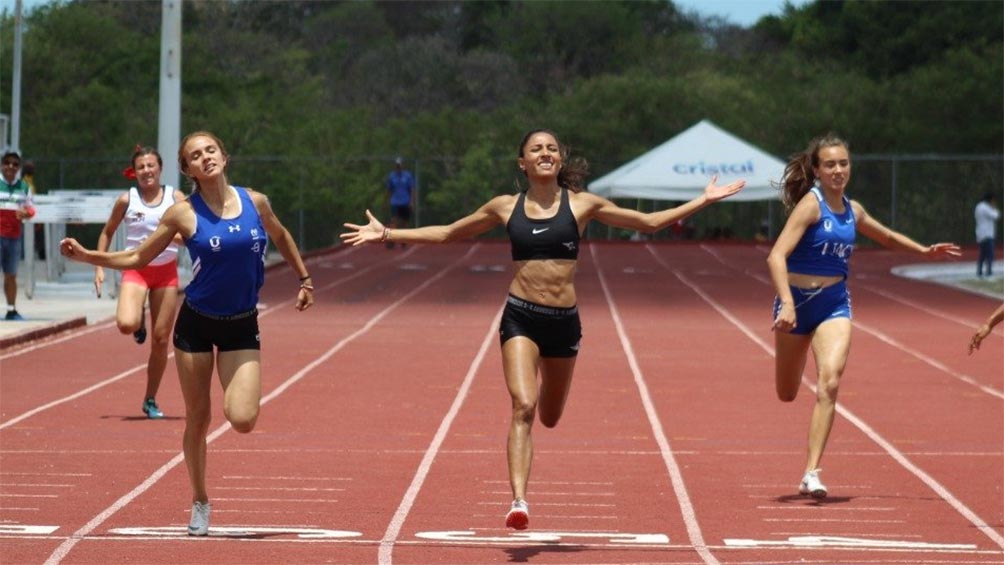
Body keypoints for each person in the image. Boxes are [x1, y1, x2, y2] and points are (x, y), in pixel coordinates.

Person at [342, 129, 745, 530]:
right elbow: (449, 232)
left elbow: (649, 222)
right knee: (524, 405)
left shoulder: (583, 205)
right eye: (536, 149)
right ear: (523, 163)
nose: (545, 153)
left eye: (552, 148)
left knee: (550, 416)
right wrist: (388, 233)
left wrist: (701, 201)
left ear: (560, 160)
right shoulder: (504, 207)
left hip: (563, 323)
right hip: (520, 316)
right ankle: (518, 500)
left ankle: (527, 472)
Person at [60, 131, 314, 536]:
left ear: (224, 156)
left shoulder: (256, 201)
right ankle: (200, 500)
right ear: (188, 169)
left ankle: (204, 486)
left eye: (210, 150)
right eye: (195, 156)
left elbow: (280, 235)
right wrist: (90, 256)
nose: (205, 158)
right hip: (196, 322)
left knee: (243, 418)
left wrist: (305, 278)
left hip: (242, 324)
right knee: (199, 417)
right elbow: (138, 256)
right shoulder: (183, 214)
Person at [767, 133, 961, 499]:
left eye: (843, 163)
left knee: (830, 382)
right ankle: (808, 458)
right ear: (816, 170)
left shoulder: (853, 211)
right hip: (795, 304)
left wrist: (923, 250)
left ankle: (811, 472)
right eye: (830, 164)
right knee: (787, 393)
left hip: (834, 303)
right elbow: (776, 256)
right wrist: (787, 303)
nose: (838, 170)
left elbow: (885, 235)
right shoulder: (811, 206)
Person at [94, 146, 187, 419]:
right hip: (136, 270)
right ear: (134, 172)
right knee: (126, 324)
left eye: (151, 166)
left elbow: (190, 232)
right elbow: (107, 232)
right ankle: (139, 321)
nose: (146, 171)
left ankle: (150, 399)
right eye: (141, 167)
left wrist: (179, 240)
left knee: (160, 341)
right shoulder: (127, 200)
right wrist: (99, 267)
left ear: (160, 168)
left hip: (166, 272)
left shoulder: (175, 197)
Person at [0, 151, 35, 321]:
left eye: (15, 164)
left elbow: (31, 209)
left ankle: (11, 310)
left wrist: (26, 213)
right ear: (2, 165)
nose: (10, 167)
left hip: (13, 237)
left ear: (19, 168)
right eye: (7, 163)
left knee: (11, 275)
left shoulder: (24, 186)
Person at [384, 156, 415, 249]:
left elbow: (412, 189)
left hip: (405, 202)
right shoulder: (392, 176)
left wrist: (412, 201)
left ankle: (403, 241)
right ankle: (391, 240)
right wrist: (386, 201)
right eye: (397, 165)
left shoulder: (408, 176)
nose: (398, 167)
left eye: (400, 165)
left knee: (404, 223)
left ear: (402, 165)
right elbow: (389, 190)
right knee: (393, 222)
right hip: (395, 202)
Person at [974, 192, 1000, 278]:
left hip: (981, 233)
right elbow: (996, 216)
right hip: (987, 234)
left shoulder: (978, 206)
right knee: (990, 254)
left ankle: (979, 271)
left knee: (983, 254)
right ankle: (988, 272)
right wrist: (994, 208)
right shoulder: (986, 208)